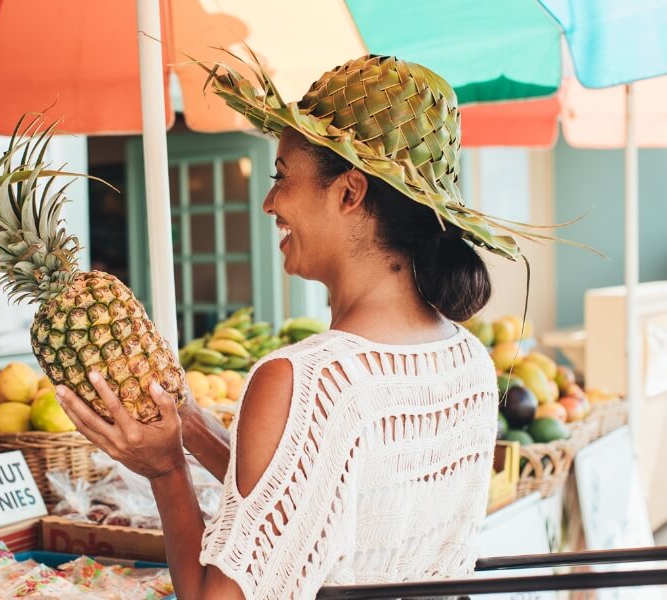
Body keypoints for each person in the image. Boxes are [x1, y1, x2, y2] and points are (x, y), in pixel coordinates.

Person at [56, 54, 531, 599]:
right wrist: (189, 423)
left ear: (350, 192)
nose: (269, 201)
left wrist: (165, 471)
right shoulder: (470, 361)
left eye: (281, 176)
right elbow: (321, 502)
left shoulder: (303, 379)